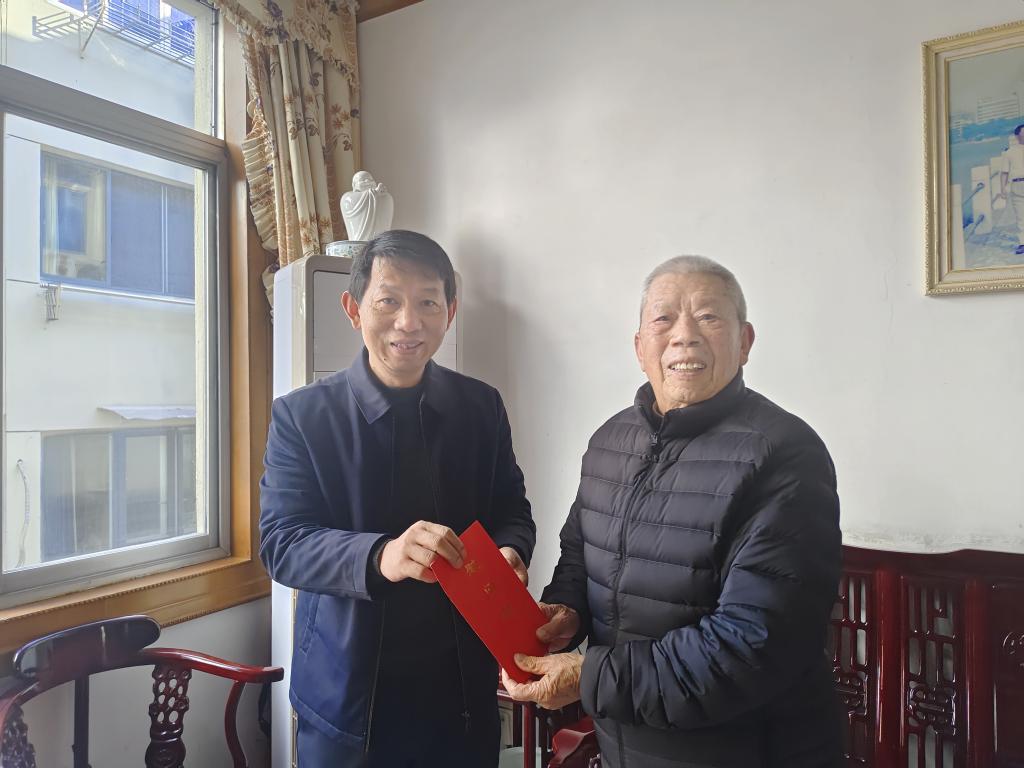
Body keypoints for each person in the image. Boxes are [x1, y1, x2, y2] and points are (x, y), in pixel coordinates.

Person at [503, 256, 843, 768]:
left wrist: (589, 676)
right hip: (624, 747)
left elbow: (753, 644)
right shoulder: (610, 442)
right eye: (664, 318)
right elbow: (579, 555)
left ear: (745, 341)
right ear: (640, 346)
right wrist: (567, 611)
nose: (684, 335)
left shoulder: (786, 454)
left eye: (709, 316)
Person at [260, 229, 535, 767]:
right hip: (347, 704)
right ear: (353, 309)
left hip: (460, 698)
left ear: (449, 312)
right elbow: (282, 543)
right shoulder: (303, 416)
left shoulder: (481, 408)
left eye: (428, 303)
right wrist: (381, 555)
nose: (408, 323)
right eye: (388, 301)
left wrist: (511, 551)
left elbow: (511, 509)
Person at [997, 124, 1024, 256]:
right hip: (1017, 185)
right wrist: (1002, 189)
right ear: (1017, 136)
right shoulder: (1009, 153)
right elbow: (1004, 173)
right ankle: (1023, 243)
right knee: (1021, 216)